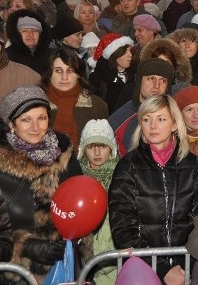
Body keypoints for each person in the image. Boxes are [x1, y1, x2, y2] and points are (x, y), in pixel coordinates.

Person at [109, 95, 198, 285]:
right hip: (142, 272)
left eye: (160, 119)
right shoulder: (128, 166)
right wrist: (162, 269)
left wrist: (186, 266)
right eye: (147, 119)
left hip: (187, 267)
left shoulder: (192, 165)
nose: (153, 125)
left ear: (173, 124)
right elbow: (123, 229)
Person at [0, 85, 83, 283]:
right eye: (26, 120)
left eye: (42, 118)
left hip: (65, 268)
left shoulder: (65, 156)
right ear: (11, 124)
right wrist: (26, 246)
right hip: (16, 275)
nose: (35, 127)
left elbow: (81, 210)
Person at [77, 119, 119, 285]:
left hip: (113, 261)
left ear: (112, 149)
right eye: (90, 146)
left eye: (102, 146)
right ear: (83, 150)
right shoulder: (76, 179)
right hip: (83, 262)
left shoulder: (122, 177)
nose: (96, 152)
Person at [43, 48, 108, 153]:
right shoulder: (37, 106)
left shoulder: (97, 106)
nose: (64, 77)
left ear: (78, 74)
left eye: (70, 71)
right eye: (58, 71)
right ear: (49, 74)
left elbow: (105, 147)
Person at [108, 58, 174, 154]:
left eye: (163, 80)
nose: (156, 85)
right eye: (151, 79)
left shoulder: (175, 116)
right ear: (139, 81)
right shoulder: (120, 120)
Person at [88, 33, 135, 114]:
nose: (130, 55)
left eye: (130, 51)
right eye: (125, 52)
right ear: (114, 54)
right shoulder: (98, 78)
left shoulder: (135, 74)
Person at [5, 9, 53, 74]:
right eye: (25, 31)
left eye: (35, 30)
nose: (30, 34)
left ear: (40, 34)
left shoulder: (51, 55)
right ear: (17, 34)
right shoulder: (7, 56)